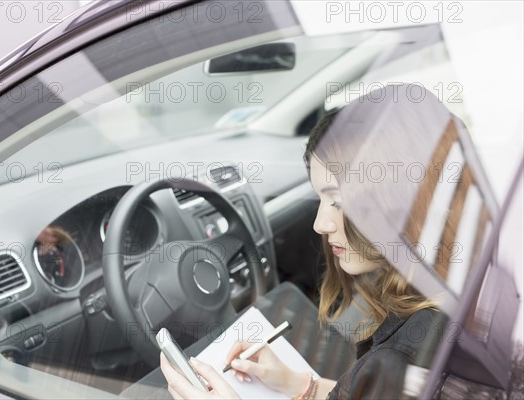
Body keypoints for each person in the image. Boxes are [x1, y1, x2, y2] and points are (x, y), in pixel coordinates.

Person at [161, 83, 477, 399]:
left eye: (337, 201)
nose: (320, 224)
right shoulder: (463, 285)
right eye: (320, 200)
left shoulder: (399, 360)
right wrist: (299, 385)